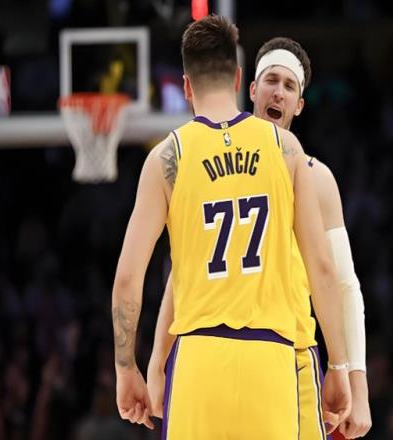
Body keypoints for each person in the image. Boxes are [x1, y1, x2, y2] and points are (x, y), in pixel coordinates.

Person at [112, 14, 351, 440]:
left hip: (197, 361)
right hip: (272, 362)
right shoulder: (286, 148)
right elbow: (322, 268)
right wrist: (339, 364)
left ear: (187, 86)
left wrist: (126, 367)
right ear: (240, 79)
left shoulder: (167, 158)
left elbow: (129, 279)